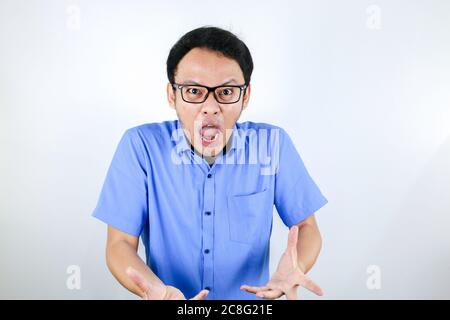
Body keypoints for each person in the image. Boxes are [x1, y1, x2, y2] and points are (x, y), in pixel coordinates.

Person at [92, 26, 328, 300]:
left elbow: (307, 227)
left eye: (226, 92)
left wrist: (295, 266)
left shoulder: (272, 144)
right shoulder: (140, 146)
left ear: (246, 96)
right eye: (194, 91)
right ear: (172, 95)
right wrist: (154, 290)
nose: (211, 106)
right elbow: (119, 244)